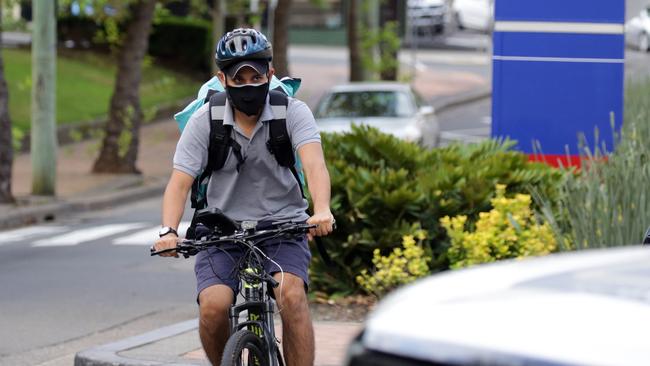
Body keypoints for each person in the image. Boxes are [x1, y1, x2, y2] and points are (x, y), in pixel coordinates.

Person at [152, 28, 334, 366]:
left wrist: (321, 209)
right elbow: (179, 183)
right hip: (221, 231)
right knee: (213, 307)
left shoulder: (292, 113)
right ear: (223, 80)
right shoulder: (205, 122)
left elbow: (314, 165)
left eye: (256, 75)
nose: (249, 84)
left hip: (283, 227)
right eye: (239, 77)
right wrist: (168, 231)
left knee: (291, 296)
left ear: (270, 73)